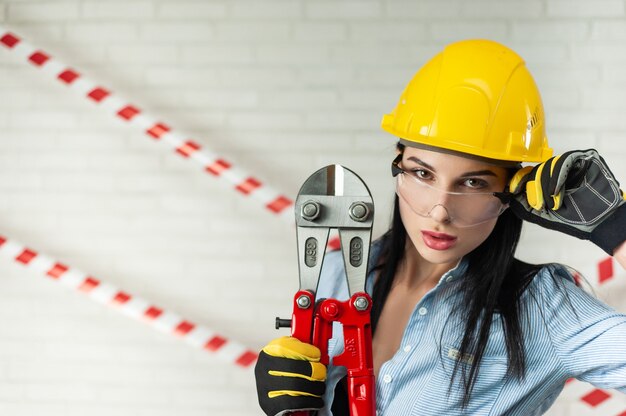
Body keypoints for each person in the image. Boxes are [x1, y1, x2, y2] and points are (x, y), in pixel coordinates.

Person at [254, 39, 626, 415]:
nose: (440, 211)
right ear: (397, 166)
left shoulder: (541, 309)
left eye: (474, 183)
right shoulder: (338, 276)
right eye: (421, 173)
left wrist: (617, 230)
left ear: (511, 192)